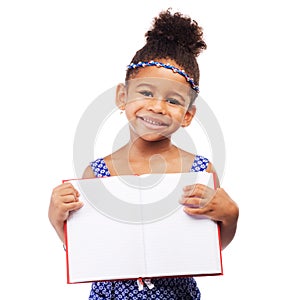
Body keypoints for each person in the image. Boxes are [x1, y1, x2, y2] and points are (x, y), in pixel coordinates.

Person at [49, 9, 239, 300]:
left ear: (187, 115)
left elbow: (207, 248)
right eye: (146, 93)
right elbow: (87, 250)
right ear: (122, 97)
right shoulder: (97, 173)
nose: (157, 107)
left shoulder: (198, 170)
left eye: (173, 100)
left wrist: (229, 217)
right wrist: (56, 217)